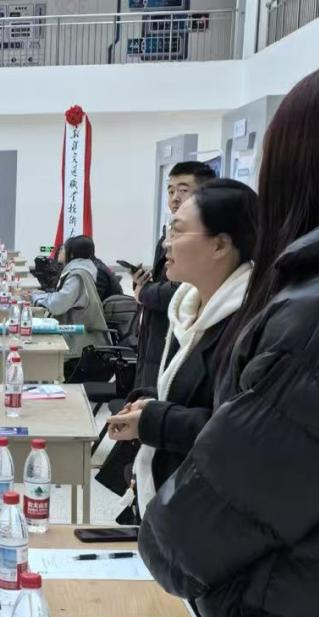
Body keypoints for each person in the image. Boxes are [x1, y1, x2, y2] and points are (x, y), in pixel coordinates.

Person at [139, 62, 319, 617]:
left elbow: (205, 518)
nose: (168, 238)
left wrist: (161, 531)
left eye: (180, 225)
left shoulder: (317, 318)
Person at [105, 179, 257, 515]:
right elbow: (188, 393)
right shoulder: (187, 308)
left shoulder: (250, 324)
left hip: (213, 509)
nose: (166, 244)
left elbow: (237, 432)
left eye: (177, 231)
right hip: (173, 493)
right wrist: (149, 401)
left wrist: (153, 419)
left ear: (220, 245)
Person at [132, 160, 216, 388]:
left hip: (180, 334)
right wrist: (143, 284)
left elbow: (183, 289)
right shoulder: (167, 236)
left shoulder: (206, 238)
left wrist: (143, 293)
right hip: (156, 330)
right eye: (170, 191)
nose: (175, 198)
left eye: (183, 190)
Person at [30, 234, 111, 366]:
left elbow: (57, 305)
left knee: (35, 347)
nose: (60, 251)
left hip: (79, 345)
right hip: (79, 337)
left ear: (72, 254)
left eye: (63, 248)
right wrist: (40, 296)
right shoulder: (81, 271)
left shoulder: (77, 275)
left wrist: (36, 297)